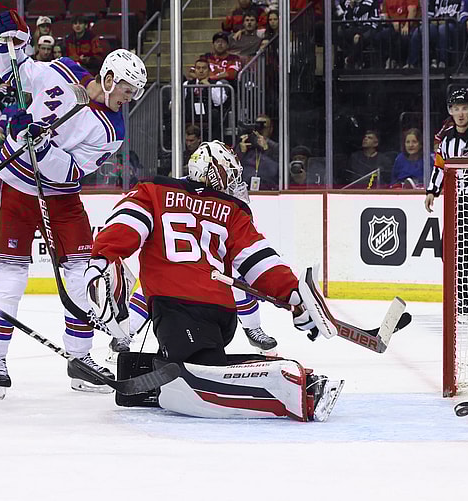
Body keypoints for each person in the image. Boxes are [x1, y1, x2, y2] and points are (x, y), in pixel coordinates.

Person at [85, 140, 342, 421]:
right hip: (221, 313)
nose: (232, 183)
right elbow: (260, 260)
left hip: (177, 308)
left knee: (193, 379)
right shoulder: (231, 210)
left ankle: (294, 388)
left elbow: (125, 225)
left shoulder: (153, 192)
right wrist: (294, 294)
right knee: (203, 365)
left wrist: (100, 261)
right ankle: (280, 374)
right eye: (228, 174)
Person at [0, 10, 148, 397]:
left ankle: (79, 359)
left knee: (79, 274)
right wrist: (6, 42)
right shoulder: (63, 69)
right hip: (14, 183)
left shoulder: (112, 129)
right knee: (11, 277)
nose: (128, 99)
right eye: (127, 90)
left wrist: (40, 144)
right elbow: (17, 73)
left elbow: (71, 172)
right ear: (109, 79)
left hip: (60, 196)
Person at [407, 0, 464, 68]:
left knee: (443, 29)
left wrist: (445, 21)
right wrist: (434, 21)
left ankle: (443, 61)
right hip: (435, 25)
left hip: (453, 26)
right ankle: (411, 63)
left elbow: (461, 15)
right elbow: (429, 16)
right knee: (421, 29)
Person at [337, 0, 380, 70]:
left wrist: (360, 32)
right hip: (354, 30)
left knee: (359, 38)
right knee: (340, 34)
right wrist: (351, 8)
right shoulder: (348, 2)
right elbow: (346, 22)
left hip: (369, 29)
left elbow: (375, 20)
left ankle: (350, 61)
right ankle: (356, 61)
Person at [183, 57, 229, 141]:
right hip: (190, 114)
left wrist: (209, 86)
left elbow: (219, 101)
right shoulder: (187, 84)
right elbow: (178, 100)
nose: (201, 71)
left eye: (204, 68)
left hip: (208, 116)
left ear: (209, 70)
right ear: (195, 70)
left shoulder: (217, 84)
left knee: (215, 114)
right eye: (198, 68)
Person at [377, 0, 419, 69]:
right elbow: (385, 16)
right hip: (394, 28)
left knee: (404, 36)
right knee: (381, 35)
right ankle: (386, 62)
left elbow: (412, 11)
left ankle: (398, 61)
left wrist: (406, 25)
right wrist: (392, 22)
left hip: (410, 27)